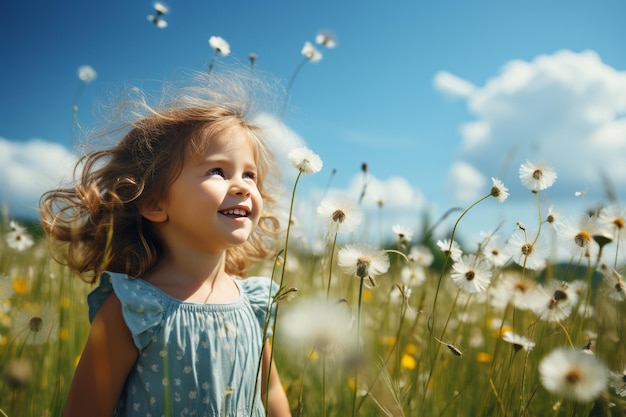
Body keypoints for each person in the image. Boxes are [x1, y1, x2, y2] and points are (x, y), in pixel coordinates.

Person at [40, 70, 292, 417]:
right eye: (217, 171)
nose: (243, 186)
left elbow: (272, 390)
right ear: (155, 203)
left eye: (249, 174)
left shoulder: (254, 304)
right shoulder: (136, 309)